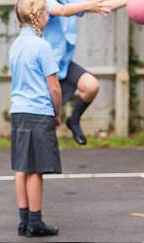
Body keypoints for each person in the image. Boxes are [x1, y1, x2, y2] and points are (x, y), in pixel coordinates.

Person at [11, 0, 63, 237]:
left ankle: (24, 219)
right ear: (39, 16)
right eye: (47, 13)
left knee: (22, 167)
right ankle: (35, 221)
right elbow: (54, 88)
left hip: (19, 111)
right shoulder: (42, 46)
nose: (49, 17)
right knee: (35, 170)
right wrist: (57, 112)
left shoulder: (15, 45)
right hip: (38, 111)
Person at [42, 0, 114, 144]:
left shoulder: (69, 1)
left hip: (64, 65)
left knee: (91, 86)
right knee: (48, 124)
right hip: (46, 69)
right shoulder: (43, 2)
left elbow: (103, 4)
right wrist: (88, 5)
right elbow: (63, 11)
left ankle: (73, 121)